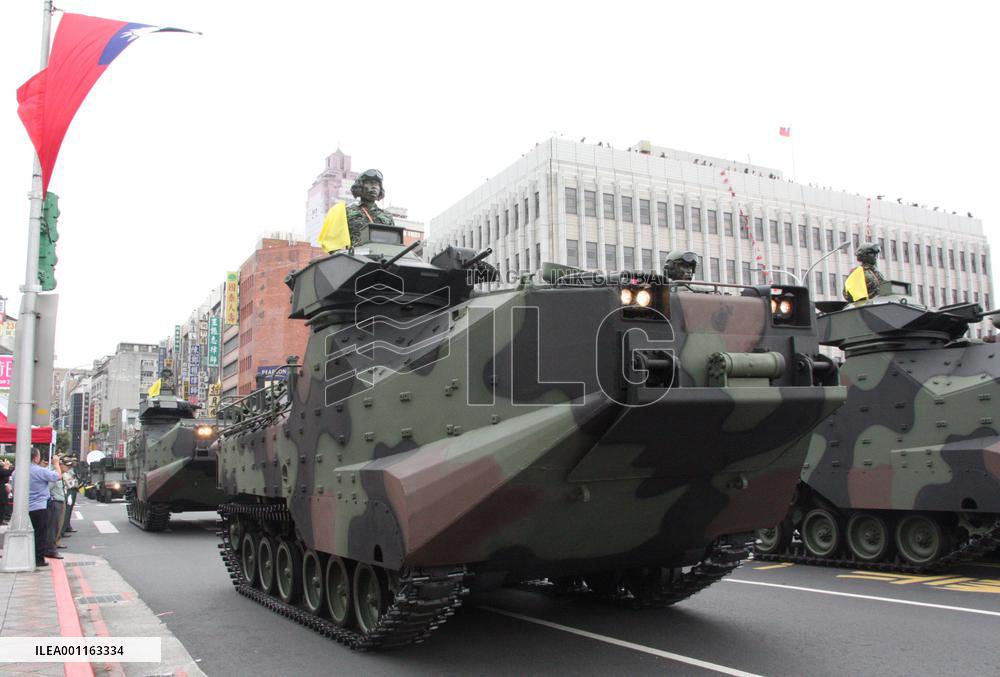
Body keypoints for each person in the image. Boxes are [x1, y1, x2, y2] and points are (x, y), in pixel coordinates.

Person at [11, 448, 61, 567]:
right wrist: (56, 464)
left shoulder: (16, 472)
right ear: (35, 458)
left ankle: (24, 557)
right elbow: (58, 476)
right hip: (39, 507)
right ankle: (38, 559)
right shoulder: (39, 471)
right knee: (40, 535)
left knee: (25, 534)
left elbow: (14, 489)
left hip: (23, 509)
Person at [345, 168, 399, 246]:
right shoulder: (347, 212)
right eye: (369, 183)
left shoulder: (387, 216)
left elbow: (395, 242)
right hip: (355, 256)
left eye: (377, 184)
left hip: (383, 255)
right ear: (360, 186)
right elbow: (335, 243)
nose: (374, 187)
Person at [45, 457, 67, 558]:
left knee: (57, 525)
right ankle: (51, 549)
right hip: (54, 502)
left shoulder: (62, 475)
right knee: (53, 527)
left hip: (60, 501)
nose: (67, 467)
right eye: (65, 465)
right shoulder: (53, 475)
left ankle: (54, 545)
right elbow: (48, 488)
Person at [62, 459, 79, 535]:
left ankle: (67, 526)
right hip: (69, 490)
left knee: (69, 510)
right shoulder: (64, 473)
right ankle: (63, 529)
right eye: (68, 465)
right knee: (67, 510)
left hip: (73, 489)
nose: (69, 467)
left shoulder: (71, 471)